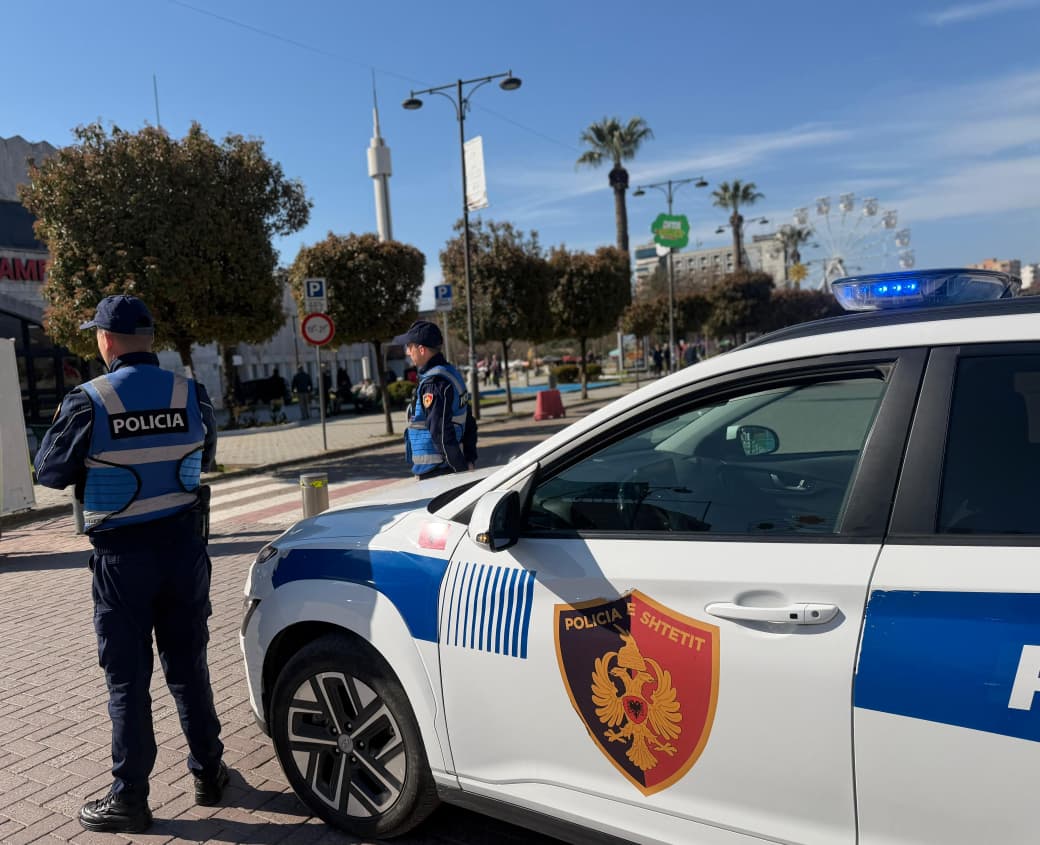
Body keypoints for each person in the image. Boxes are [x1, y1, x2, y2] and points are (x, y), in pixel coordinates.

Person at [33, 295, 228, 834]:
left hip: (123, 559)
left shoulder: (89, 398)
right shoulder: (191, 391)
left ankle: (131, 798)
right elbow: (205, 451)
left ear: (108, 340)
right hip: (184, 550)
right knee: (189, 668)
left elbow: (48, 470)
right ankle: (210, 774)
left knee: (128, 680)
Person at [394, 319, 477, 479]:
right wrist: (469, 458)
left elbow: (440, 432)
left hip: (438, 472)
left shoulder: (435, 383)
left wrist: (460, 471)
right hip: (444, 469)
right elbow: (469, 422)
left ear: (422, 349)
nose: (407, 352)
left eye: (409, 347)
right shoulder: (449, 373)